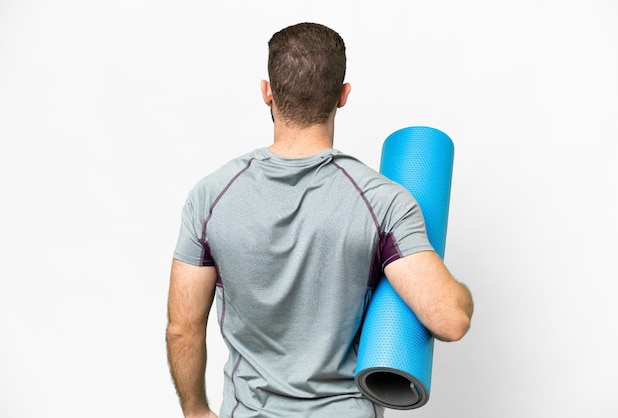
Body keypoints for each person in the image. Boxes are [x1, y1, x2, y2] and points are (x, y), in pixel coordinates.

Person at [166, 22, 473, 418]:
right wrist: (461, 294)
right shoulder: (382, 201)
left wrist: (195, 410)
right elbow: (452, 319)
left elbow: (182, 327)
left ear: (267, 92)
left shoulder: (210, 197)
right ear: (343, 95)